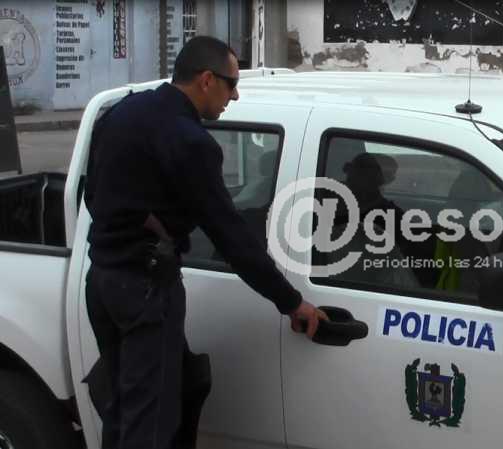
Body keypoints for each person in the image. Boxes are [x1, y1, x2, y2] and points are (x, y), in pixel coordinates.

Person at [83, 35, 327, 449]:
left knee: (123, 409)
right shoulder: (191, 142)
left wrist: (139, 225)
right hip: (144, 290)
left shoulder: (122, 112)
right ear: (207, 80)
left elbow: (92, 194)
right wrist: (290, 301)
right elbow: (230, 235)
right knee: (149, 424)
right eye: (233, 85)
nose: (235, 97)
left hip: (102, 281)